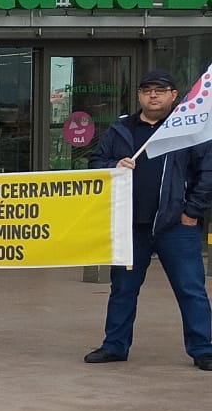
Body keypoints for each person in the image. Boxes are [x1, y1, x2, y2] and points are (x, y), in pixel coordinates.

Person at [83, 69, 212, 370]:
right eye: (147, 90)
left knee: (191, 289)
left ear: (173, 96)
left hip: (176, 226)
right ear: (139, 95)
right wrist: (114, 164)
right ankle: (115, 345)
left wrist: (191, 212)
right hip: (130, 228)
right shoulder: (120, 130)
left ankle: (203, 349)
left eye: (160, 89)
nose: (153, 95)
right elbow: (94, 165)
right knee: (123, 289)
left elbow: (207, 175)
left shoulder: (189, 129)